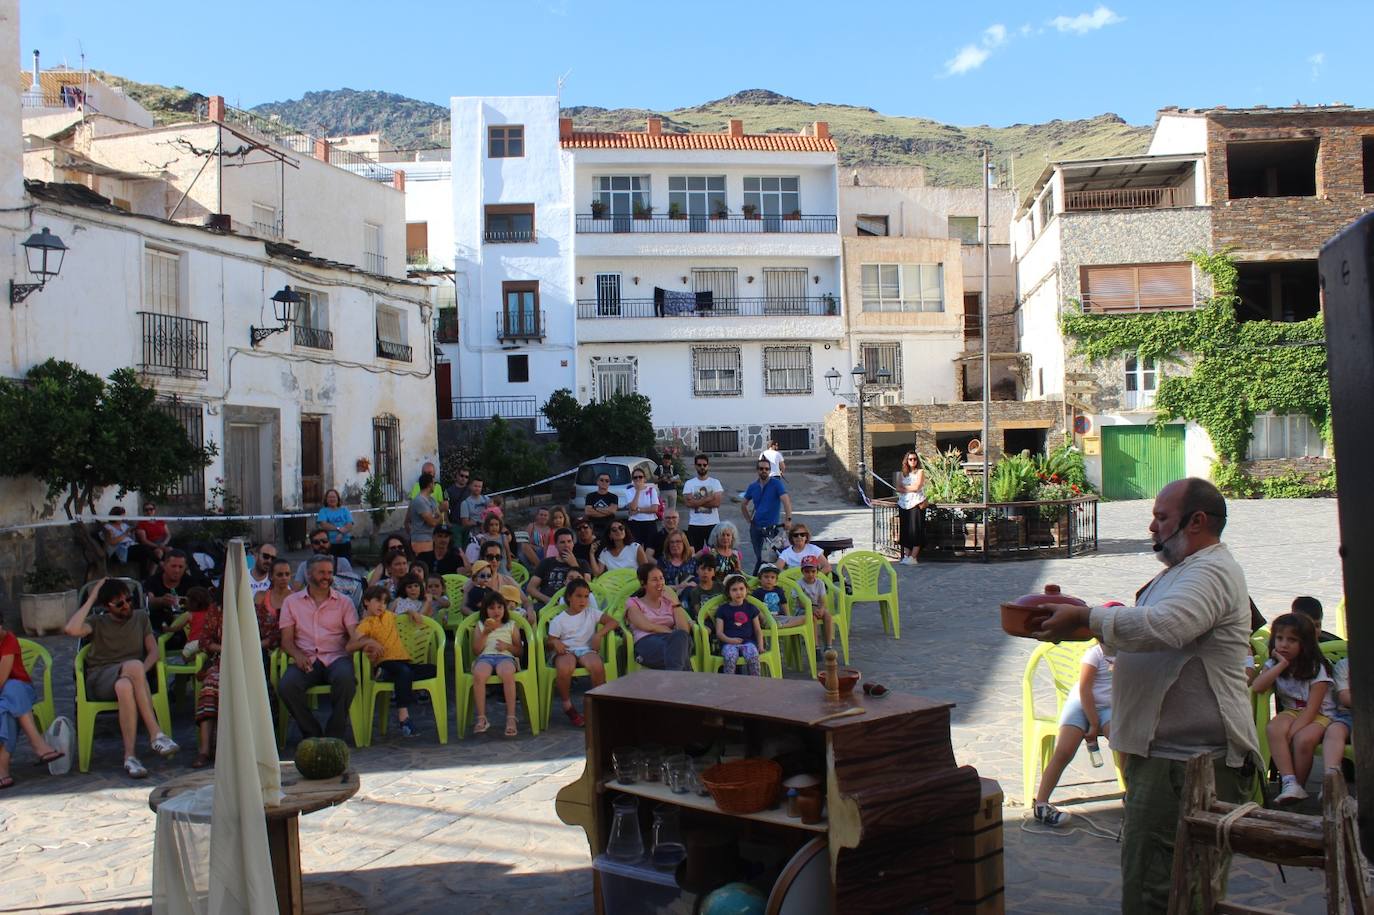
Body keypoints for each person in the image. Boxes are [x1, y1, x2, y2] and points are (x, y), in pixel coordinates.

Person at [1036, 478, 1260, 915]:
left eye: (1161, 517)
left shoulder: (1210, 571)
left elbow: (1168, 625)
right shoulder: (1186, 571)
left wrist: (1087, 617)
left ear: (1196, 521)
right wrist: (1085, 628)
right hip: (1167, 760)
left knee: (1165, 893)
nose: (1152, 527)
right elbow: (1152, 634)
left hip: (1187, 764)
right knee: (1157, 886)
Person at [64, 578, 179, 777]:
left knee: (125, 686)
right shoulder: (97, 622)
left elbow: (154, 652)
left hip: (128, 678)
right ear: (106, 606)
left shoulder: (141, 618)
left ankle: (130, 757)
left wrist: (138, 675)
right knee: (133, 667)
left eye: (129, 599)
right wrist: (92, 597)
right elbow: (71, 629)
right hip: (100, 678)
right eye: (119, 603)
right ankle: (155, 734)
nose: (126, 605)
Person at [1252, 613, 1334, 805]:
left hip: (1321, 715)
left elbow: (1312, 709)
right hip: (1292, 711)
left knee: (1302, 739)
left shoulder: (1317, 668)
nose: (1284, 644)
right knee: (1273, 728)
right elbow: (1258, 686)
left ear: (1304, 643)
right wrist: (1281, 665)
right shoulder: (1274, 664)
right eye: (1280, 638)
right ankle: (1290, 782)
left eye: (1292, 640)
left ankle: (1299, 785)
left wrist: (1291, 732)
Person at [278, 554, 360, 742]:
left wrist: (366, 642)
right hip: (306, 659)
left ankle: (334, 735)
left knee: (346, 680)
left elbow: (354, 634)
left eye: (330, 573)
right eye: (321, 572)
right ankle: (312, 733)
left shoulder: (344, 602)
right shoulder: (291, 602)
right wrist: (297, 655)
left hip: (337, 657)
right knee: (287, 686)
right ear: (308, 574)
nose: (327, 577)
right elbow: (286, 640)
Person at [1034, 641, 1115, 826]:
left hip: (1108, 707)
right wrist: (1093, 723)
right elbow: (1084, 689)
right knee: (1064, 751)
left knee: (1122, 743)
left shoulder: (1128, 651)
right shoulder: (1094, 654)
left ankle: (1132, 795)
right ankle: (1041, 804)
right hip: (1081, 704)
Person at [349, 585, 434, 738]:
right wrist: (368, 641)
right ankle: (404, 718)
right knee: (404, 672)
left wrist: (411, 611)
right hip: (385, 660)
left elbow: (404, 615)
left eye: (384, 602)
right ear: (366, 601)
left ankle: (386, 676)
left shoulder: (389, 615)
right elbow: (349, 646)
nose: (381, 605)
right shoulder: (366, 623)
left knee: (432, 669)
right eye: (377, 601)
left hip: (402, 660)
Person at [0, 616, 63, 787]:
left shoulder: (9, 640)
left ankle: (2, 768)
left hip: (21, 691)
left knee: (12, 689)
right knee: (4, 709)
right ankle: (38, 745)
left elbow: (1, 680)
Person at [546, 579, 617, 728]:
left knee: (596, 665)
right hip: (566, 650)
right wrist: (555, 642)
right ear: (569, 597)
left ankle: (598, 704)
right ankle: (567, 705)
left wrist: (599, 634)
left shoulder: (591, 613)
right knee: (565, 667)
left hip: (585, 649)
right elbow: (549, 642)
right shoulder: (559, 620)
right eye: (578, 596)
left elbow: (613, 622)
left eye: (586, 596)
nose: (583, 600)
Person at [471, 588, 523, 737]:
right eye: (492, 608)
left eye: (500, 607)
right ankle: (482, 718)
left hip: (505, 657)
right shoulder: (481, 625)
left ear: (504, 609)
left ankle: (511, 718)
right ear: (485, 610)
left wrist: (507, 647)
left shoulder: (510, 625)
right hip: (485, 657)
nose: (496, 611)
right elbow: (476, 650)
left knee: (507, 673)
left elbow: (519, 651)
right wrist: (485, 633)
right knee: (479, 674)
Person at [624, 563, 693, 671]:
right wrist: (670, 631)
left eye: (661, 578)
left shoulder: (669, 602)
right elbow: (647, 626)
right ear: (643, 583)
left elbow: (684, 630)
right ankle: (684, 677)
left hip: (671, 641)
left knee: (680, 639)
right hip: (647, 642)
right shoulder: (633, 602)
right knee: (679, 649)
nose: (660, 583)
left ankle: (675, 677)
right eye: (654, 580)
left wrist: (675, 603)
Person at [742, 459, 792, 575]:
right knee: (760, 556)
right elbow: (743, 504)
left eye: (766, 469)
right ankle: (762, 579)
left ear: (769, 470)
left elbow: (786, 501)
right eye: (761, 469)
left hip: (771, 528)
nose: (764, 471)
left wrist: (788, 519)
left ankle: (759, 578)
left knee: (768, 556)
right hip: (756, 528)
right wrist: (749, 519)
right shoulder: (753, 486)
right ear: (757, 470)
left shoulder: (776, 484)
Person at [714, 574, 763, 676]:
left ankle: (755, 681)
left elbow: (758, 630)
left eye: (741, 589)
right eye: (734, 590)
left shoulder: (751, 608)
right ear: (728, 592)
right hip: (728, 643)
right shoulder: (722, 610)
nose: (738, 592)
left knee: (753, 656)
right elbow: (719, 632)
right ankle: (730, 681)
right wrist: (730, 640)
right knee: (730, 657)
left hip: (748, 642)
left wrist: (760, 646)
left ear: (746, 590)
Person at [529, 528, 588, 606]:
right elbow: (530, 588)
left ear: (573, 544)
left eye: (569, 541)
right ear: (556, 545)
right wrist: (547, 599)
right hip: (546, 604)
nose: (566, 545)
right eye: (562, 542)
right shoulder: (546, 562)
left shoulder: (583, 563)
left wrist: (574, 565)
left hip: (574, 604)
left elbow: (588, 587)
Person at [144, 549, 194, 634]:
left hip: (185, 627)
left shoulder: (191, 582)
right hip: (158, 626)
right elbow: (148, 601)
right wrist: (161, 601)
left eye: (180, 567)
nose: (177, 570)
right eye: (173, 566)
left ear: (185, 567)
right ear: (164, 565)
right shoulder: (152, 581)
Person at [1321, 656, 1353, 783]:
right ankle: (1331, 780)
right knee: (1334, 731)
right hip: (1349, 714)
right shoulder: (1344, 665)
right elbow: (1344, 697)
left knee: (1361, 734)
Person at [683, 455, 724, 552]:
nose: (702, 467)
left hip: (713, 523)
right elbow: (688, 503)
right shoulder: (689, 483)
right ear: (695, 466)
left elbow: (717, 503)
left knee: (714, 552)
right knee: (695, 554)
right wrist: (709, 498)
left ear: (708, 466)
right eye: (699, 465)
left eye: (704, 465)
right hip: (695, 524)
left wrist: (696, 502)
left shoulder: (715, 483)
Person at [795, 556, 837, 651]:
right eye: (807, 572)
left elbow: (822, 599)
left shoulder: (820, 583)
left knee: (828, 616)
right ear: (802, 572)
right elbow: (800, 602)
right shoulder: (799, 583)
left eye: (813, 571)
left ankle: (828, 645)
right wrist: (812, 609)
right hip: (803, 610)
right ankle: (815, 646)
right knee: (812, 618)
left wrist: (821, 609)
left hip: (817, 608)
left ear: (817, 572)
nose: (810, 574)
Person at [894, 451, 927, 566]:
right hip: (904, 504)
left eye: (915, 459)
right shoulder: (901, 474)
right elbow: (898, 488)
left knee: (916, 530)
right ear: (906, 461)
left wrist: (905, 488)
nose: (913, 461)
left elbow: (917, 487)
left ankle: (914, 556)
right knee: (906, 530)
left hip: (916, 504)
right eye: (910, 459)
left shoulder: (920, 472)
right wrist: (909, 488)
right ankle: (907, 556)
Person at [408, 471, 445, 558]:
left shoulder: (432, 500)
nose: (435, 485)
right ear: (430, 484)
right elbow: (432, 522)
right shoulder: (419, 501)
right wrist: (438, 515)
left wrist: (437, 516)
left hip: (431, 538)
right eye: (434, 483)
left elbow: (440, 520)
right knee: (423, 563)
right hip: (421, 540)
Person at [131, 500, 171, 576]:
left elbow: (168, 534)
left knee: (172, 551)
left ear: (154, 510)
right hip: (150, 545)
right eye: (146, 510)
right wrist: (159, 546)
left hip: (162, 543)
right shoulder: (141, 523)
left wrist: (164, 544)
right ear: (143, 511)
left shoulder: (160, 521)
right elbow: (144, 540)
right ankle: (151, 575)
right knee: (158, 552)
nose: (149, 511)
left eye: (151, 509)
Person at [624, 468, 662, 548]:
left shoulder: (652, 490)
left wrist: (638, 510)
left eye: (640, 477)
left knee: (650, 547)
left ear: (644, 479)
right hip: (635, 523)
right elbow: (633, 507)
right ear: (632, 480)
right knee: (636, 548)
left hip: (650, 522)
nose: (638, 479)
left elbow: (654, 509)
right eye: (635, 477)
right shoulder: (629, 491)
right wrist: (638, 491)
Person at [681, 553, 725, 621]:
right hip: (706, 622)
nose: (705, 572)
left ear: (714, 572)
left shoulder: (720, 586)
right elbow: (700, 614)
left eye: (709, 570)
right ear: (697, 570)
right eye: (702, 569)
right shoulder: (695, 592)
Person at [316, 489, 355, 560]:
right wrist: (338, 528)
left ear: (338, 498)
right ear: (326, 499)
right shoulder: (323, 511)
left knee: (345, 564)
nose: (332, 499)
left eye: (334, 497)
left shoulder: (345, 510)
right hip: (329, 544)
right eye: (329, 497)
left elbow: (349, 525)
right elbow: (324, 525)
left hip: (345, 543)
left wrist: (341, 534)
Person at [656, 530, 698, 595]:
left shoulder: (692, 561)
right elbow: (659, 584)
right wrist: (677, 587)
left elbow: (699, 581)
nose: (674, 545)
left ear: (684, 543)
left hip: (689, 595)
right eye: (671, 542)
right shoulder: (662, 562)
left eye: (678, 541)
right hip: (668, 595)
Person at [583, 473, 620, 541]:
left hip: (608, 527)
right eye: (601, 480)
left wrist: (596, 509)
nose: (604, 482)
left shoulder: (613, 497)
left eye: (607, 481)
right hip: (593, 527)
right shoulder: (590, 496)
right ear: (597, 482)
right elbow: (588, 512)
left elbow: (612, 511)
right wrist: (607, 511)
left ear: (609, 483)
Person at [458, 474, 491, 544]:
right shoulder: (465, 503)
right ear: (470, 486)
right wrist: (478, 523)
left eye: (479, 486)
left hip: (489, 532)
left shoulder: (487, 499)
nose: (477, 488)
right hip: (473, 535)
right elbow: (465, 523)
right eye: (475, 486)